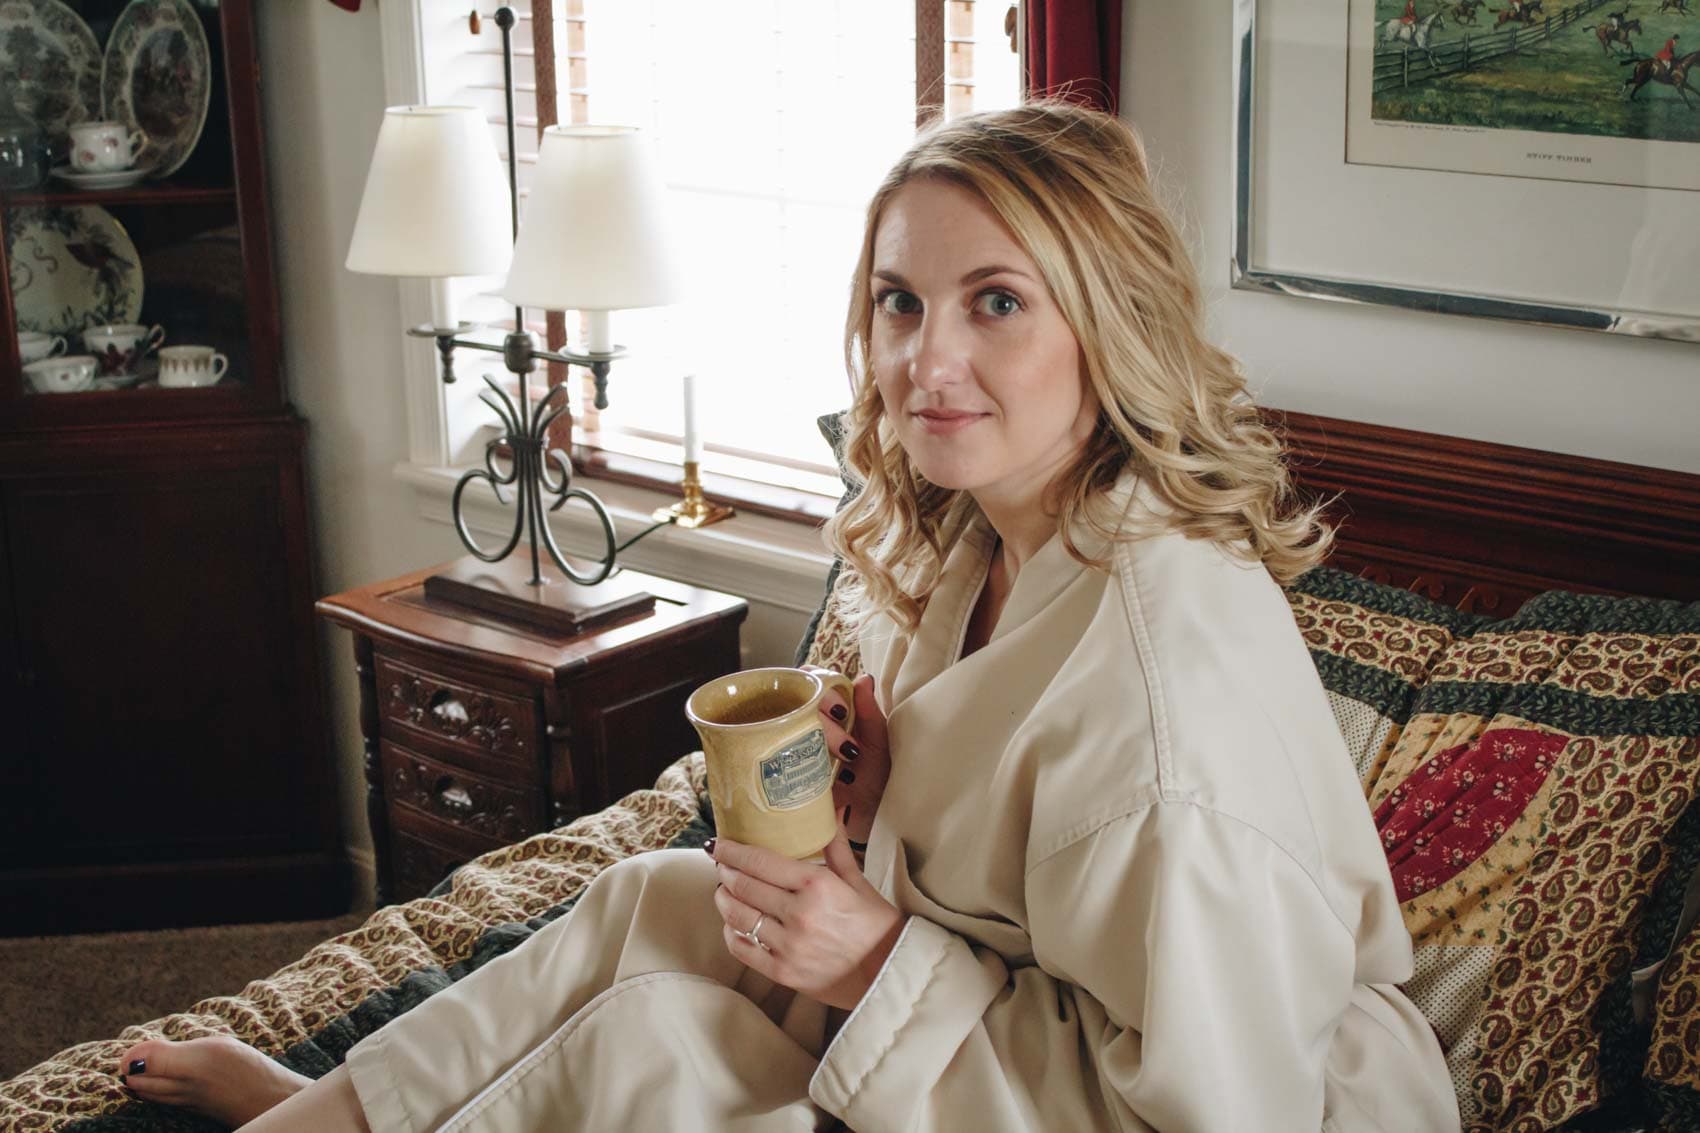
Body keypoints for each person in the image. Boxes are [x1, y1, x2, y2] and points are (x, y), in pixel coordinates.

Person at [113, 101, 1460, 1132]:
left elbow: (1207, 1108)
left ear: (1111, 328)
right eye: (900, 302)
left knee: (657, 1045)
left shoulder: (1174, 705)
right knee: (656, 891)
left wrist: (875, 955)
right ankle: (327, 1112)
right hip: (1009, 1022)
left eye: (998, 302)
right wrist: (874, 816)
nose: (926, 363)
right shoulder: (995, 535)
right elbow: (1006, 873)